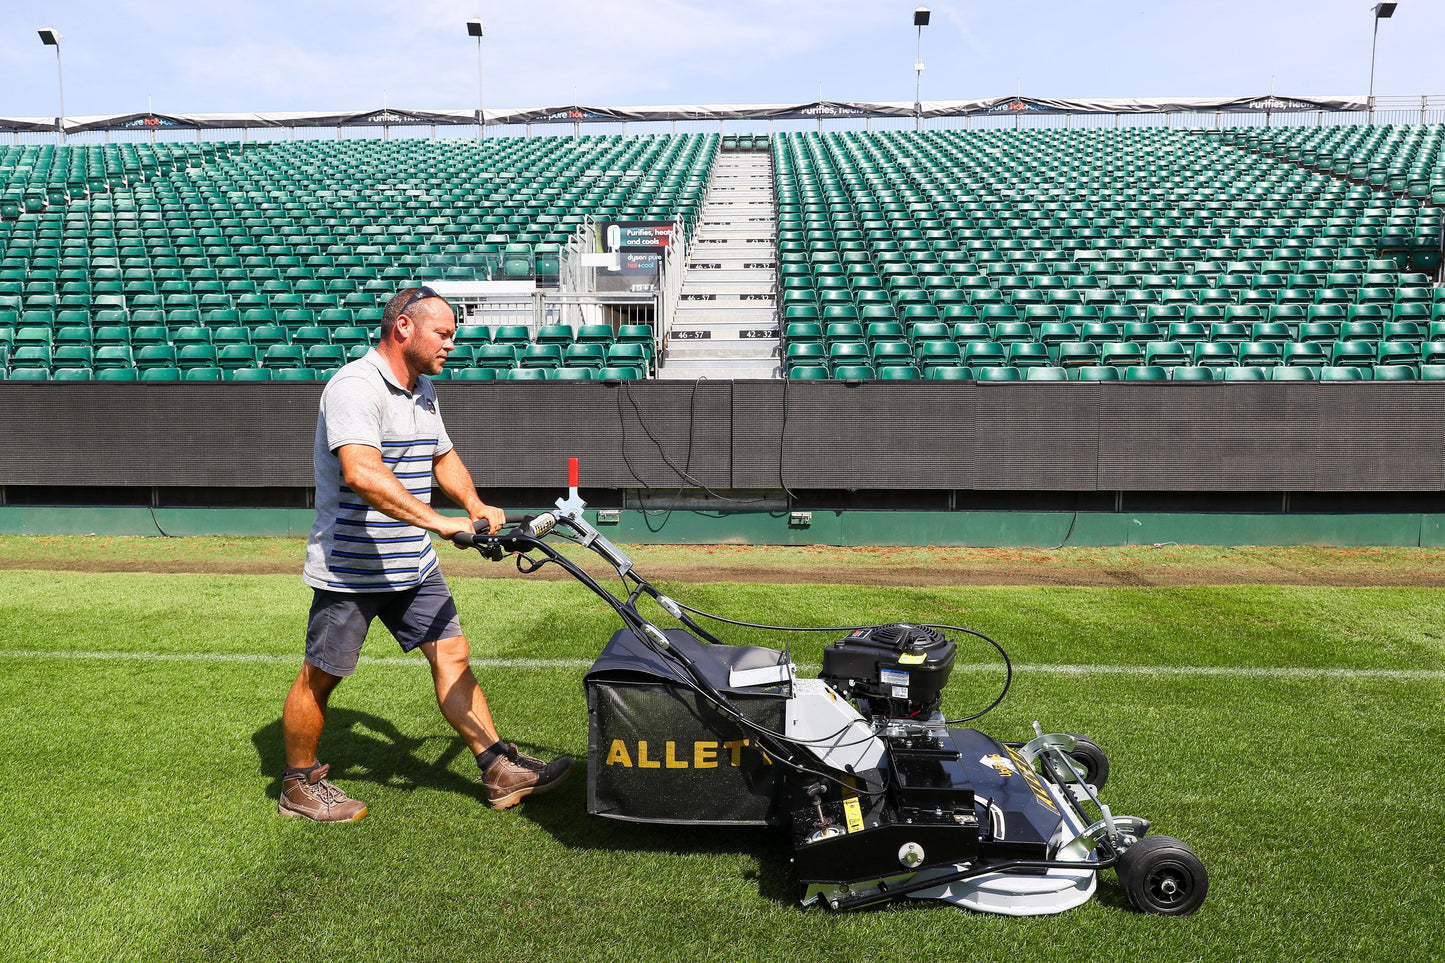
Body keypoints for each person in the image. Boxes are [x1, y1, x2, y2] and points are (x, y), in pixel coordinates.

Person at [277, 285, 572, 822]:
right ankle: (299, 784)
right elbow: (362, 473)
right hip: (352, 567)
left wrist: (474, 504)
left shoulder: (423, 389)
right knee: (322, 676)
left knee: (452, 656)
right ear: (404, 328)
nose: (451, 344)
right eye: (444, 333)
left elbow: (442, 456)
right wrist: (441, 522)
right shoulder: (354, 387)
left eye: (453, 335)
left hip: (412, 563)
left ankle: (497, 767)